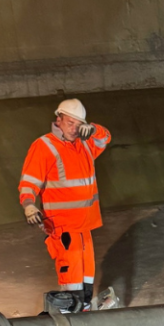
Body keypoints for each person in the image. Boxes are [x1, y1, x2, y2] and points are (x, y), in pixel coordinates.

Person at [18, 98, 111, 310]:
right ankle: (70, 311)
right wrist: (29, 204)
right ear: (58, 119)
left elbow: (105, 137)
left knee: (87, 271)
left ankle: (84, 306)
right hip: (63, 225)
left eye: (79, 125)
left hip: (85, 224)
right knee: (72, 271)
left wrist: (93, 129)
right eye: (71, 123)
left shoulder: (85, 144)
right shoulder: (44, 146)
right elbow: (29, 181)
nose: (75, 129)